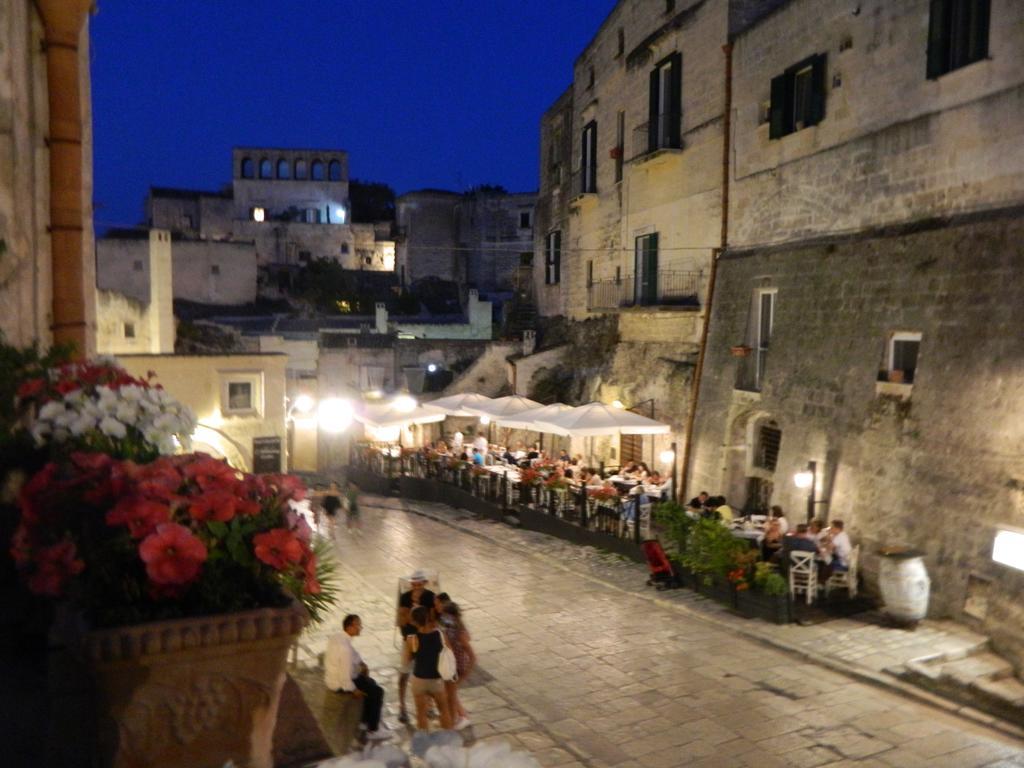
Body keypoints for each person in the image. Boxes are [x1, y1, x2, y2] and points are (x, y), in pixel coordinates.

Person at [324, 614, 392, 741]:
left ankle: (364, 720)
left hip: (332, 678)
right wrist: (354, 690)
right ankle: (373, 729)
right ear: (349, 627)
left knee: (370, 683)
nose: (360, 628)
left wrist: (361, 663)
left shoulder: (337, 637)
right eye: (358, 625)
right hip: (339, 683)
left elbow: (354, 656)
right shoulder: (345, 649)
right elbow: (345, 678)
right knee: (377, 692)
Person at [402, 605, 453, 731]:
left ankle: (424, 742)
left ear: (414, 621)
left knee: (420, 714)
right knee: (444, 711)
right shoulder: (440, 635)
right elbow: (449, 652)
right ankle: (449, 740)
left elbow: (406, 661)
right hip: (435, 680)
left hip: (419, 679)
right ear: (427, 617)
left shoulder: (411, 639)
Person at [396, 570, 436, 724]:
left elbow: (432, 621)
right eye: (414, 584)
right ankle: (402, 706)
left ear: (424, 583)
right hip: (409, 638)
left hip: (424, 639)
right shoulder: (405, 597)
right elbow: (402, 620)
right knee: (405, 671)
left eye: (419, 584)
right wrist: (416, 618)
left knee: (427, 673)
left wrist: (413, 617)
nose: (416, 586)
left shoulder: (429, 596)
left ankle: (429, 705)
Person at [439, 602, 475, 730]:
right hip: (452, 666)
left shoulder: (459, 632)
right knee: (451, 693)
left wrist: (466, 672)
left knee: (451, 694)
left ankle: (458, 718)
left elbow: (471, 655)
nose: (443, 617)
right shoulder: (451, 629)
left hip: (457, 667)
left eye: (445, 615)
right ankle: (462, 716)